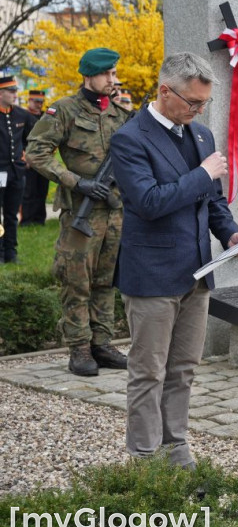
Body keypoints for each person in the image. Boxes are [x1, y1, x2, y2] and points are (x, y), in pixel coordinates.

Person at [109, 52, 238, 469]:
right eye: (192, 102)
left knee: (184, 369)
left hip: (196, 273)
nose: (198, 110)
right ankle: (143, 456)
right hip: (152, 275)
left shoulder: (201, 136)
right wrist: (203, 175)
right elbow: (150, 202)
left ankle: (176, 446)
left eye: (204, 103)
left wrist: (231, 233)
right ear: (164, 92)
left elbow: (212, 202)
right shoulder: (130, 138)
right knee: (148, 371)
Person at [25, 47, 131, 376]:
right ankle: (79, 348)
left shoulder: (118, 113)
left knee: (105, 281)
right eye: (107, 75)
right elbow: (36, 152)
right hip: (81, 215)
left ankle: (102, 343)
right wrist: (74, 182)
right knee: (77, 282)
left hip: (114, 212)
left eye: (114, 74)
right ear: (89, 76)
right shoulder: (65, 111)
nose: (113, 80)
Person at [0, 76, 32, 262]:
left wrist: (28, 155)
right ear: (1, 93)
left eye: (15, 91)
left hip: (16, 173)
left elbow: (34, 137)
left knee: (12, 215)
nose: (15, 94)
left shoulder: (22, 114)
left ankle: (11, 252)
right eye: (11, 91)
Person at [20, 90, 49, 226]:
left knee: (42, 191)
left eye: (41, 102)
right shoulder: (23, 116)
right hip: (28, 160)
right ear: (29, 100)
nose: (39, 105)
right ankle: (26, 220)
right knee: (28, 192)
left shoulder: (45, 117)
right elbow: (18, 139)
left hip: (44, 160)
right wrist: (23, 156)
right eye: (36, 101)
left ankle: (39, 219)